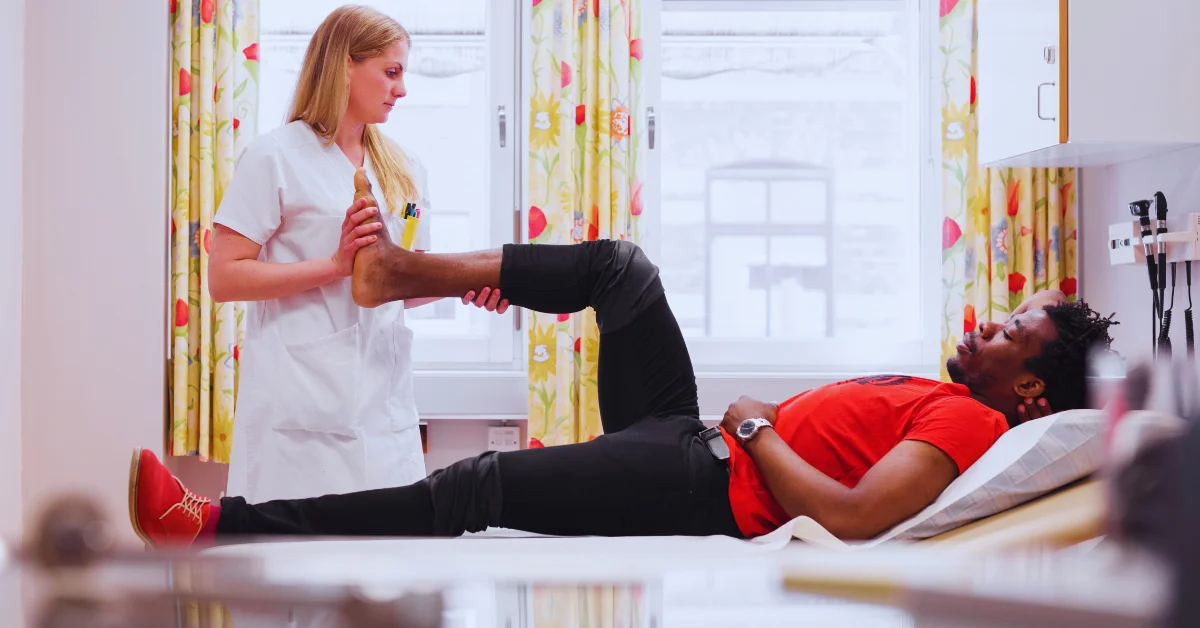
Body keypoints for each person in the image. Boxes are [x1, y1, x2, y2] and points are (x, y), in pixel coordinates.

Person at [131, 239, 1117, 548]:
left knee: (476, 485)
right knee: (623, 272)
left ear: (1029, 387)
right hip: (696, 443)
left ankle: (217, 519)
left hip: (704, 480)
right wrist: (740, 426)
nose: (982, 325)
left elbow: (856, 517)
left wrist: (756, 425)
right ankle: (406, 271)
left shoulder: (972, 419)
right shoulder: (955, 398)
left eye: (1006, 332)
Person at [207, 6, 505, 504]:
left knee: (390, 565)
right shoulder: (274, 156)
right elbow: (225, 278)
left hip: (384, 411)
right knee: (295, 568)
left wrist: (464, 285)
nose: (402, 89)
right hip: (298, 412)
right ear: (344, 64)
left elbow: (398, 287)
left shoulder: (404, 170)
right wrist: (334, 265)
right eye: (391, 72)